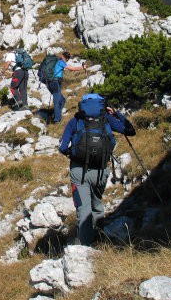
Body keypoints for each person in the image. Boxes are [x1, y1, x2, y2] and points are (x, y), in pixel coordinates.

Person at [58, 96, 136, 246]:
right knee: (97, 205)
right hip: (100, 172)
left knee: (84, 211)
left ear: (82, 106)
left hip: (79, 172)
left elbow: (62, 147)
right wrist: (116, 114)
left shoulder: (75, 121)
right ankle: (100, 240)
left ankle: (86, 249)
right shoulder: (106, 119)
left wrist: (74, 155)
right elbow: (130, 131)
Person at [47, 51, 85, 123]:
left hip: (53, 83)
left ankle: (55, 114)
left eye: (68, 58)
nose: (67, 59)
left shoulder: (58, 62)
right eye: (66, 57)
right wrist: (82, 67)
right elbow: (72, 68)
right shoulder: (61, 62)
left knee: (62, 100)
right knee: (57, 102)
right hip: (54, 82)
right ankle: (57, 120)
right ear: (62, 56)